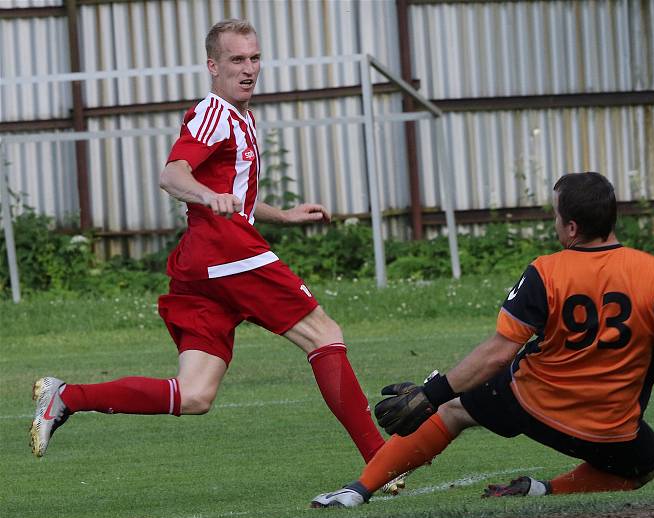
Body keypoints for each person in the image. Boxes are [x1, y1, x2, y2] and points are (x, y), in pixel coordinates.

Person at [29, 19, 389, 476]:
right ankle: (383, 462)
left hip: (204, 263)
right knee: (324, 334)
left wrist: (284, 215)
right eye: (237, 59)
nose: (249, 68)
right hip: (227, 253)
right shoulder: (213, 113)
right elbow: (173, 175)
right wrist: (203, 194)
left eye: (255, 58)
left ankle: (66, 397)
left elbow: (233, 195)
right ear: (212, 66)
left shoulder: (241, 117)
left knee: (195, 394)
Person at [311, 171, 654, 508]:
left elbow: (498, 353)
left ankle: (356, 491)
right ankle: (545, 490)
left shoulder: (546, 271)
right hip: (610, 430)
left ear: (571, 227)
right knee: (645, 464)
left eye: (556, 216)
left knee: (453, 410)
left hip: (533, 404)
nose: (554, 223)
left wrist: (433, 393)